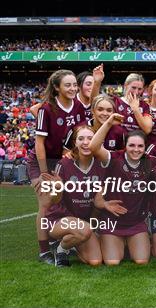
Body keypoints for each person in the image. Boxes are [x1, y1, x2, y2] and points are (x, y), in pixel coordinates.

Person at [27, 69, 87, 264]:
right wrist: (44, 172)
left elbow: (76, 136)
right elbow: (39, 143)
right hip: (42, 161)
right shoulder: (46, 109)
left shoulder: (77, 106)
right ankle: (44, 251)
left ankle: (58, 241)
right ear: (56, 87)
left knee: (63, 201)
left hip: (62, 160)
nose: (72, 88)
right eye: (67, 85)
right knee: (45, 204)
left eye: (74, 85)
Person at [90, 114, 156, 265]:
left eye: (140, 146)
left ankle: (127, 243)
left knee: (141, 260)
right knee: (113, 262)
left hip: (136, 222)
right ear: (125, 146)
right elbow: (93, 147)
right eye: (131, 145)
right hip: (112, 221)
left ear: (145, 148)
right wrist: (109, 122)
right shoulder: (115, 158)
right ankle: (105, 239)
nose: (136, 150)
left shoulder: (151, 162)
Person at [43, 125, 105, 267]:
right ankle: (61, 248)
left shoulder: (101, 165)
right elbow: (55, 200)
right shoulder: (64, 164)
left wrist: (93, 226)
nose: (86, 142)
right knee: (84, 230)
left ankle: (73, 242)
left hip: (84, 223)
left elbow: (97, 203)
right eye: (81, 139)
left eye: (91, 138)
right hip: (59, 219)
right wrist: (57, 189)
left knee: (95, 261)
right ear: (75, 143)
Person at [92, 64, 153, 134]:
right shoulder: (114, 101)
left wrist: (135, 109)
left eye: (139, 89)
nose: (136, 92)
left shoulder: (145, 106)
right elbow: (94, 102)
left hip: (135, 143)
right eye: (133, 88)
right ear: (126, 86)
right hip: (114, 141)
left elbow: (147, 129)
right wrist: (97, 82)